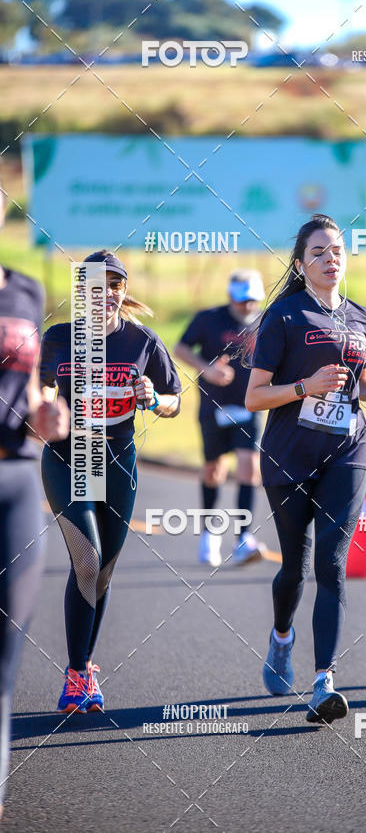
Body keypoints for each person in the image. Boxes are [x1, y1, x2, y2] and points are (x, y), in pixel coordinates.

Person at [245, 214, 366, 723]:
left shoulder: (362, 319)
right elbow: (255, 395)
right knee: (295, 567)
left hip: (347, 450)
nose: (331, 258)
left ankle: (324, 681)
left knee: (331, 561)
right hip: (289, 455)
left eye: (337, 250)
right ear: (301, 263)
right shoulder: (284, 317)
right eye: (319, 252)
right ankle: (281, 635)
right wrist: (305, 387)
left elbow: (359, 384)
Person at [40, 250, 182, 713]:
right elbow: (38, 390)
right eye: (95, 286)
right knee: (87, 560)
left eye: (115, 285)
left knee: (102, 572)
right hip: (68, 457)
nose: (106, 294)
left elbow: (174, 400)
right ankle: (77, 673)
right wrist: (44, 404)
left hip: (118, 459)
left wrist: (154, 398)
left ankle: (85, 666)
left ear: (123, 290)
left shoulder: (142, 340)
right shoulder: (59, 338)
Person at [0, 249, 70, 814]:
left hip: (18, 478)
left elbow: (31, 392)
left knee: (4, 657)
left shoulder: (25, 290)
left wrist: (48, 416)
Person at [174, 270, 265, 567]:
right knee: (214, 470)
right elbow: (180, 348)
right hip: (213, 408)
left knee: (249, 466)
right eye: (241, 301)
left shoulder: (266, 322)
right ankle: (209, 534)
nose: (246, 306)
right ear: (230, 296)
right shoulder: (208, 318)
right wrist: (206, 369)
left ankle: (243, 538)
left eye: (252, 300)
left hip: (249, 407)